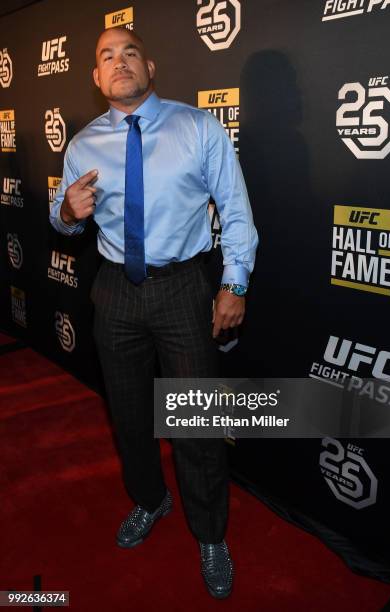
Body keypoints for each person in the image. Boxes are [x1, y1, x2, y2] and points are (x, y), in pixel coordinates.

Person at [50, 26, 258, 599]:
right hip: (114, 290)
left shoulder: (198, 128)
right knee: (130, 416)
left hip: (184, 288)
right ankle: (149, 499)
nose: (120, 63)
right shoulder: (82, 144)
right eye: (106, 57)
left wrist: (233, 283)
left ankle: (211, 534)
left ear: (151, 66)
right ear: (95, 77)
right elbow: (62, 216)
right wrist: (66, 211)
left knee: (196, 424)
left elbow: (236, 212)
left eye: (130, 53)